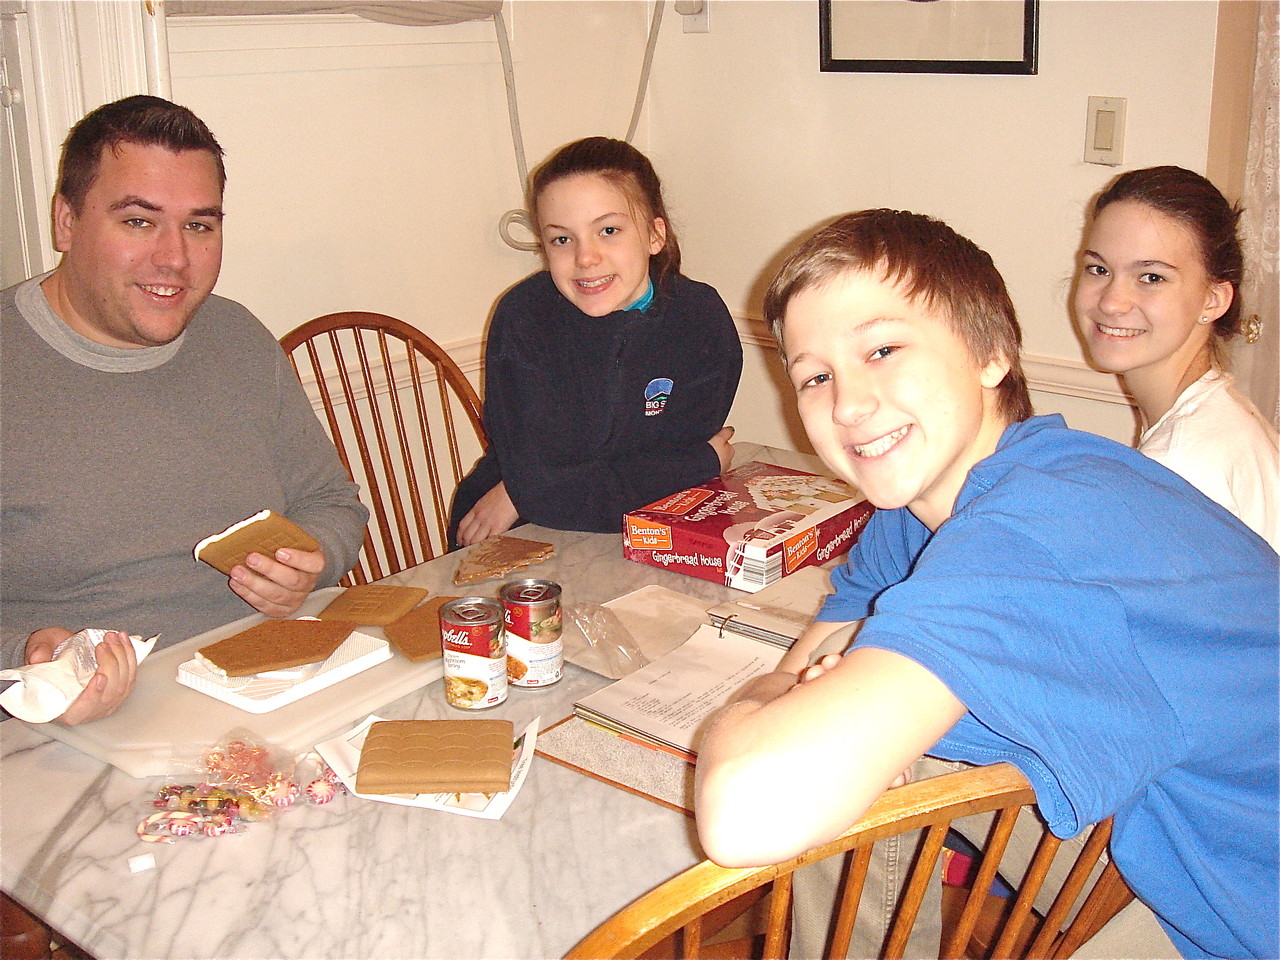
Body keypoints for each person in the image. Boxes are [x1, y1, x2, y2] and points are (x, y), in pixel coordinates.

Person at [694, 210, 1278, 959]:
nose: (847, 403)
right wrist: (799, 691)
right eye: (815, 376)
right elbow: (827, 638)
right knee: (860, 746)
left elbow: (748, 812)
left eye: (882, 348)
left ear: (992, 353)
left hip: (1244, 913)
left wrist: (752, 704)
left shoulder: (1027, 536)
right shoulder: (940, 500)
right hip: (1178, 828)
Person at [1, 95, 368, 725]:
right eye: (139, 222)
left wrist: (313, 563)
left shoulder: (236, 335)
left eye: (199, 225)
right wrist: (29, 659)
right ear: (66, 222)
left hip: (274, 687)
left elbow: (334, 505)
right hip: (82, 730)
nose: (175, 258)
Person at [448, 137, 741, 547]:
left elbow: (671, 461)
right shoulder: (524, 316)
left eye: (608, 230)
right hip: (512, 532)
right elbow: (543, 484)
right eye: (561, 239)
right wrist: (699, 463)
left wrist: (530, 493)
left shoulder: (700, 317)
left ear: (655, 235)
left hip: (651, 526)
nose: (586, 258)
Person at [1074, 165, 1278, 550]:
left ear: (1212, 299)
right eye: (1098, 269)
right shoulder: (1219, 415)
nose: (1112, 301)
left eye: (1151, 277)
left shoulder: (1181, 465)